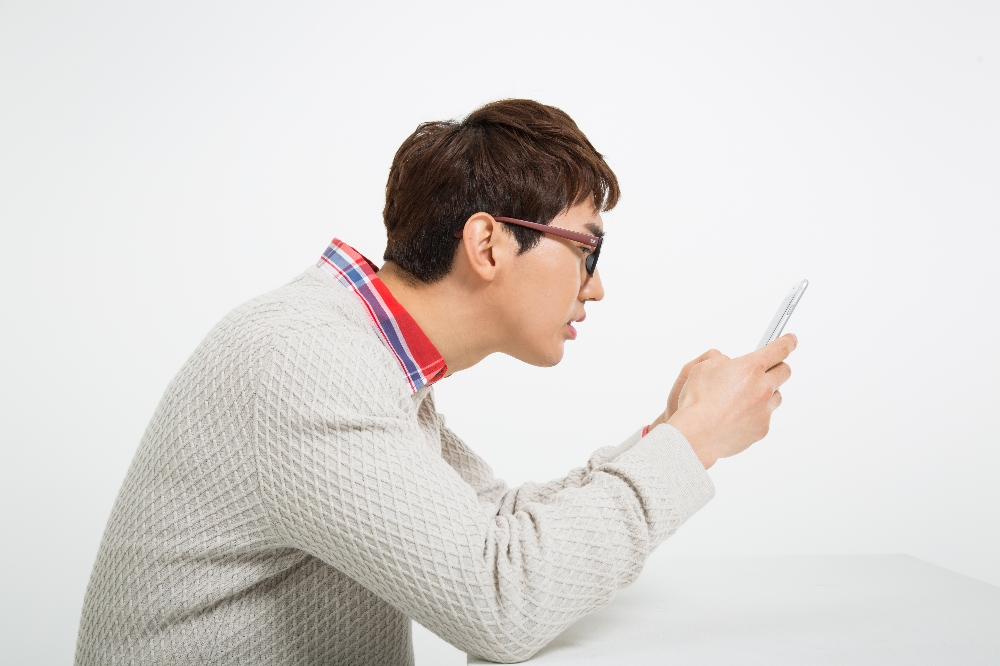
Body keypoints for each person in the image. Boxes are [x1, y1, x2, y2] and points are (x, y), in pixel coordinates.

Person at [75, 99, 795, 665]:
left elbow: (498, 528)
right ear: (487, 243)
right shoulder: (305, 361)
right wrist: (693, 441)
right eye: (588, 249)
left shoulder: (361, 354)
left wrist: (669, 432)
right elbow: (503, 601)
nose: (596, 286)